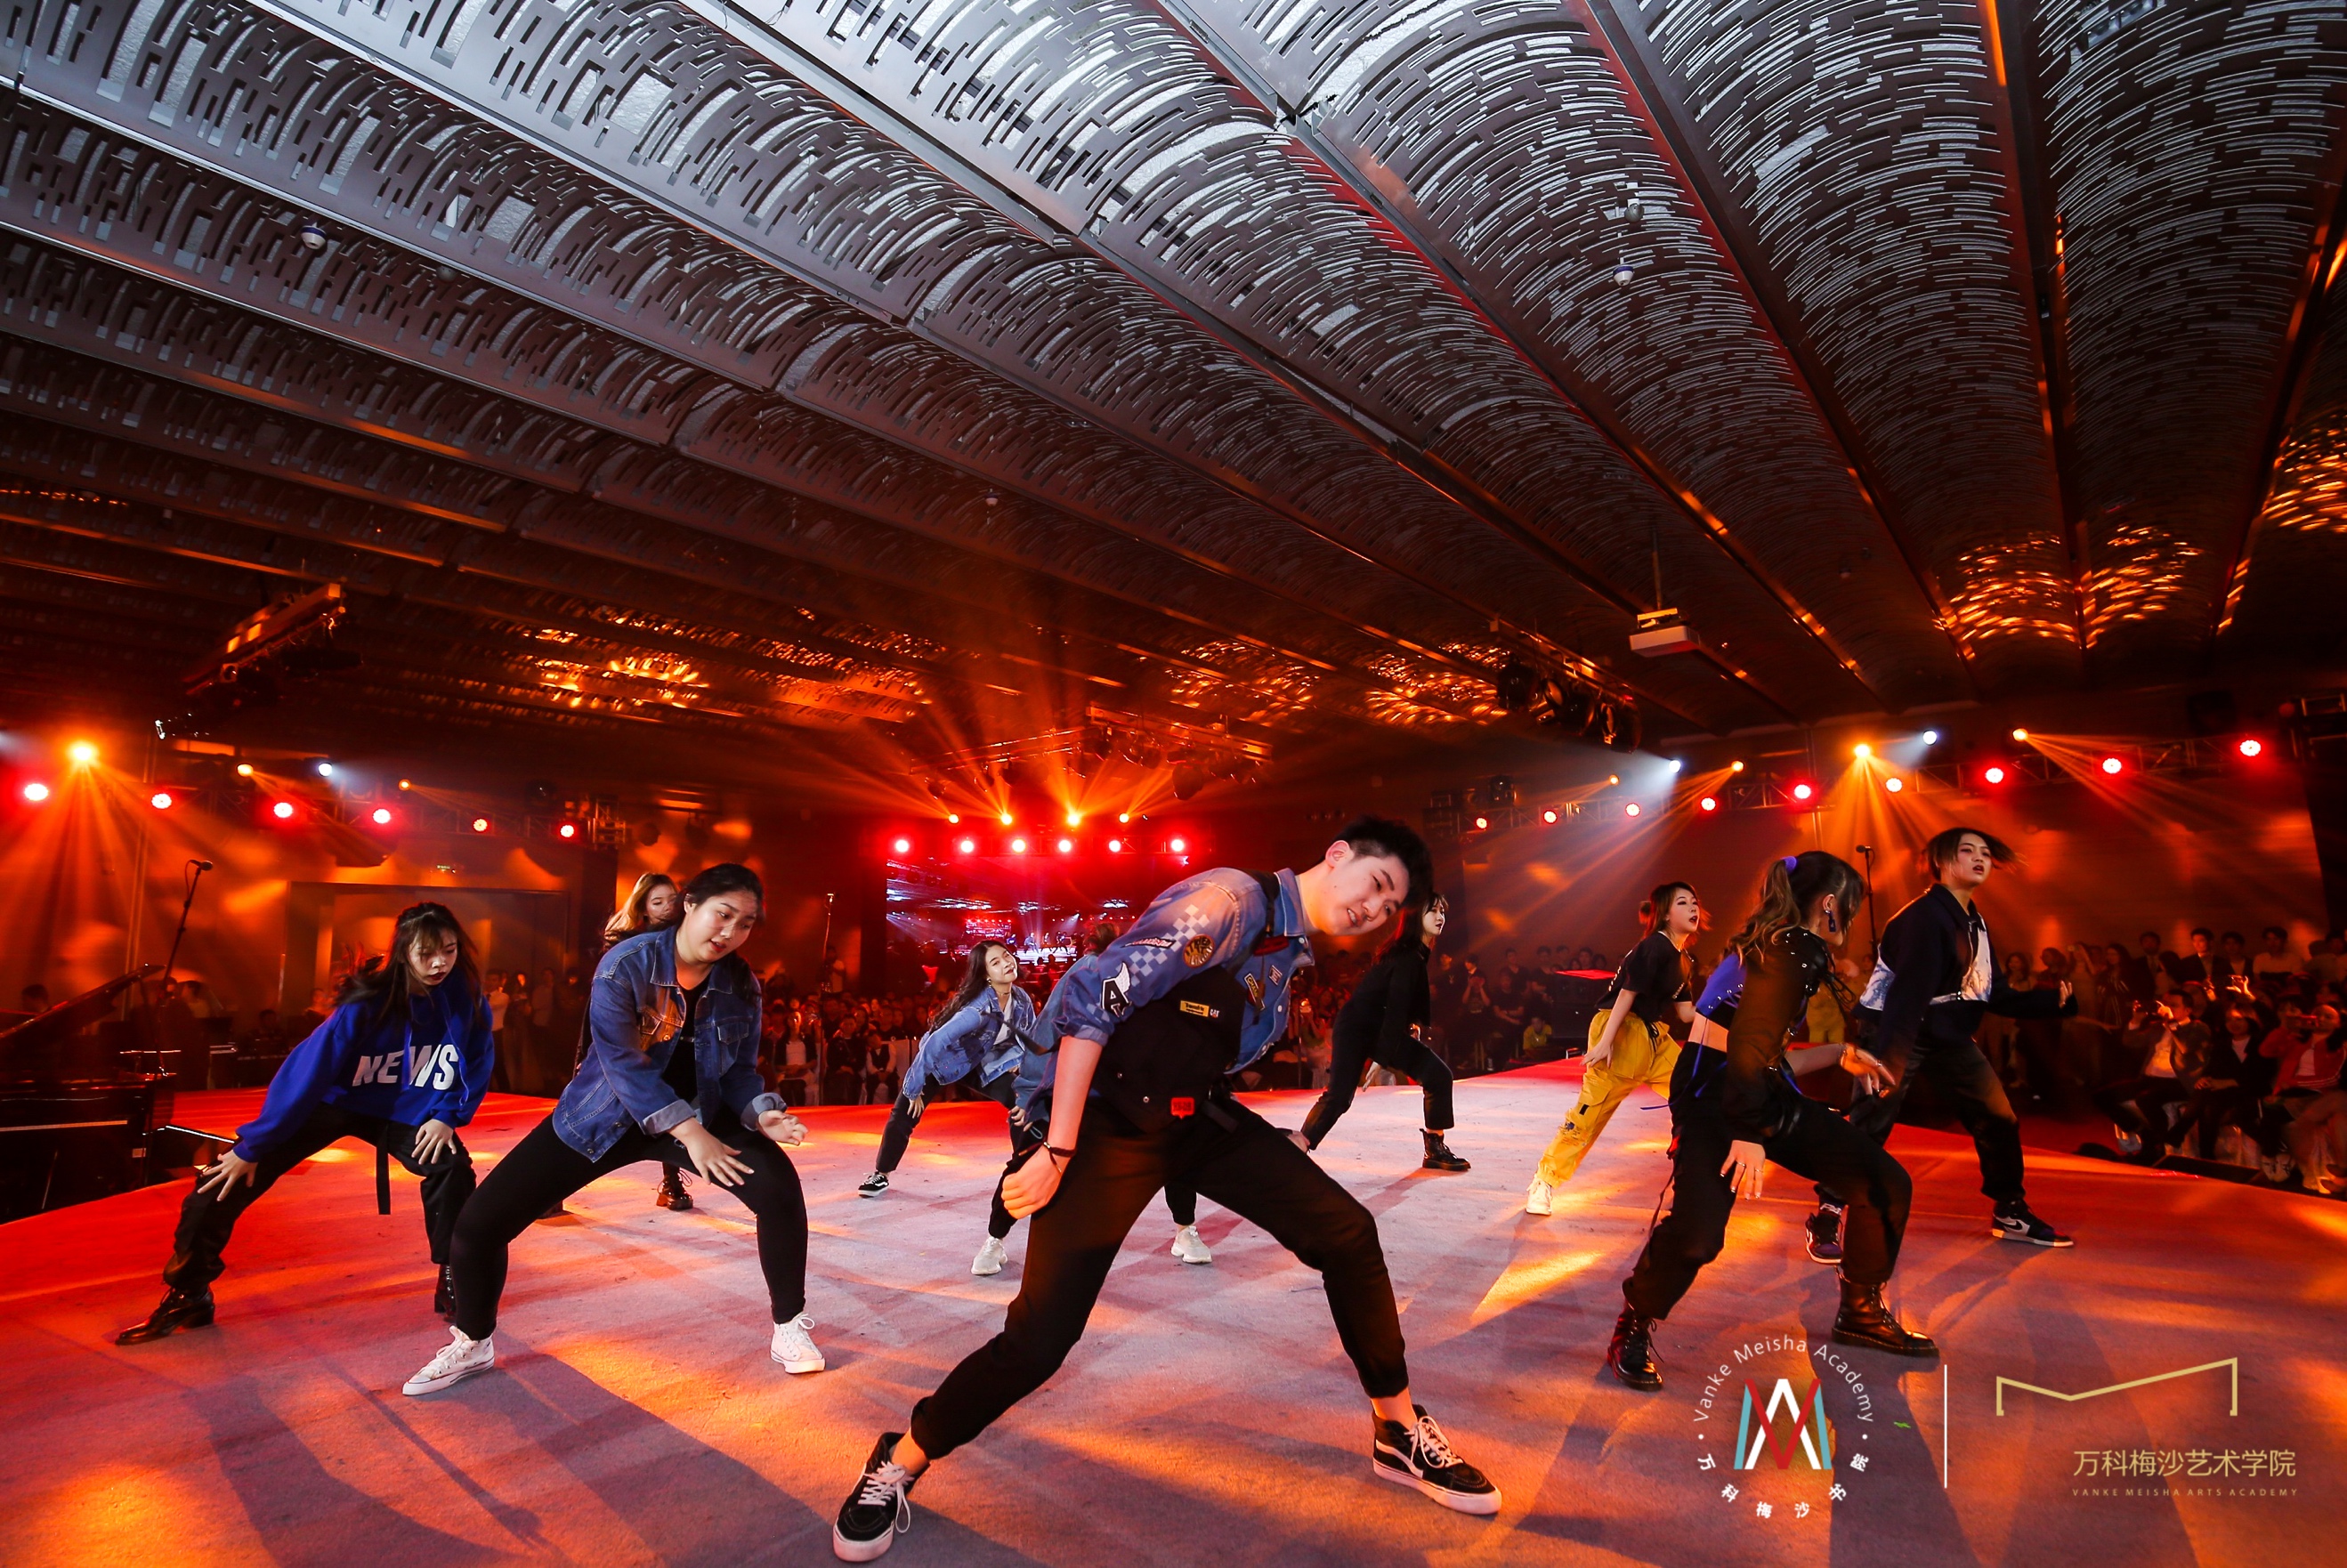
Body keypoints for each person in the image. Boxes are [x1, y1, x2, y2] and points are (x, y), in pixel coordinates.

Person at [830, 819, 1499, 1561]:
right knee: (1039, 1341)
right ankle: (901, 1457)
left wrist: (1271, 1150)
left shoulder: (1287, 954)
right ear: (1336, 856)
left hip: (1190, 1116)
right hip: (1107, 1123)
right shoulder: (1227, 903)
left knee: (1346, 1233)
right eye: (1375, 885)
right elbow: (1092, 1004)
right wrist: (1056, 1147)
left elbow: (1206, 1047)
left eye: (1390, 906)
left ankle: (1397, 1430)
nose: (1373, 910)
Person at [403, 865, 821, 1394]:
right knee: (478, 1225)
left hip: (701, 1112)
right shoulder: (626, 963)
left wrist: (761, 1114)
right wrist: (691, 1134)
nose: (730, 932)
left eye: (745, 924)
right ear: (690, 904)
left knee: (778, 1190)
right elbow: (622, 1064)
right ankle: (473, 1340)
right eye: (723, 914)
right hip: (606, 1115)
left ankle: (789, 1326)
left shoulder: (740, 984)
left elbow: (738, 1072)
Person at [1606, 852, 1931, 1391]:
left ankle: (1859, 1313)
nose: (1851, 919)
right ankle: (1633, 1322)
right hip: (1719, 1101)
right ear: (1830, 905)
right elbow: (1745, 1052)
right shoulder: (1791, 950)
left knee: (1883, 1184)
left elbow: (1759, 1053)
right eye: (1851, 907)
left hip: (1752, 1090)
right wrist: (1747, 1132)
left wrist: (1836, 1054)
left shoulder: (1776, 943)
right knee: (1698, 1235)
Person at [115, 903, 493, 1345]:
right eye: (426, 953)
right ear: (403, 952)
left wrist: (447, 1116)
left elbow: (477, 1059)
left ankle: (453, 1275)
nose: (439, 963)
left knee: (451, 1169)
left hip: (402, 1108)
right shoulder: (367, 1002)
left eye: (448, 950)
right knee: (220, 1180)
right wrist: (252, 1147)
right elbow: (305, 1073)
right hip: (333, 1099)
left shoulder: (465, 996)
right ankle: (189, 1292)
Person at [1828, 828, 2076, 1251]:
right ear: (1941, 862)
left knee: (1997, 1117)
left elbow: (1990, 991)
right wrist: (1887, 1062)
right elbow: (1906, 999)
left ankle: (2010, 1210)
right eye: (1967, 851)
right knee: (1871, 1121)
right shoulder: (1923, 917)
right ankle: (1828, 1212)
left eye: (1985, 853)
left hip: (1945, 1033)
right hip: (1896, 1030)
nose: (1980, 858)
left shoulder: (1973, 920)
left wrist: (2054, 1002)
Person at [1526, 883, 1699, 1216]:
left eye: (1694, 902)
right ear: (1665, 913)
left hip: (1653, 1038)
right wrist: (1606, 1041)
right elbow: (1627, 994)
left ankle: (1695, 1175)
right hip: (1621, 1030)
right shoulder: (1654, 946)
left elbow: (1687, 1013)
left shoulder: (1684, 960)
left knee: (1696, 1090)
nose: (1693, 908)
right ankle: (1544, 1181)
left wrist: (1728, 1004)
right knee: (1587, 1118)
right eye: (1682, 902)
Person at [1298, 893, 1469, 1171]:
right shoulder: (1407, 955)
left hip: (1379, 1027)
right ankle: (1299, 1146)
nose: (1441, 917)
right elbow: (1395, 1005)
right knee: (1339, 1097)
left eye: (1442, 911)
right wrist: (1382, 1055)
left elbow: (1395, 1001)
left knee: (1437, 1075)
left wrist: (1407, 1028)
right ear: (1416, 917)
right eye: (1433, 911)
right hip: (1356, 1028)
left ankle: (1435, 1149)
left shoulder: (1415, 952)